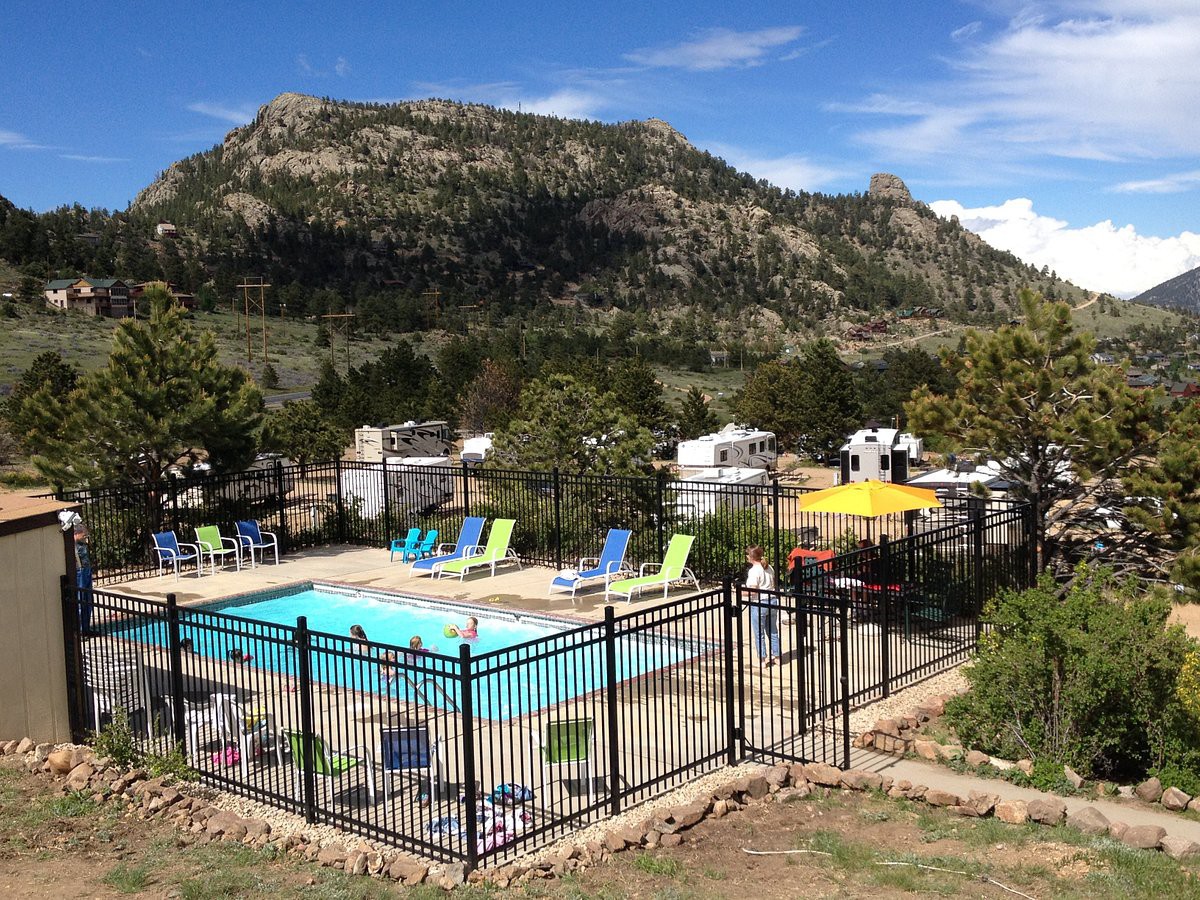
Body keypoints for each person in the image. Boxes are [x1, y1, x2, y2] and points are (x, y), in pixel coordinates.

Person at [746, 545, 780, 669]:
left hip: (759, 602)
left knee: (759, 633)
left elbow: (753, 590)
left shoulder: (754, 571)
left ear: (751, 557)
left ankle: (762, 660)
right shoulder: (768, 567)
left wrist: (740, 592)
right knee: (773, 630)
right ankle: (777, 656)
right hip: (772, 600)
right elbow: (773, 583)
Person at [74, 523, 95, 636]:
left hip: (86, 570)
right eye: (83, 535)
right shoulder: (72, 543)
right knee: (80, 600)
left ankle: (86, 628)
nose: (85, 537)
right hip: (79, 571)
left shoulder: (83, 543)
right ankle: (80, 630)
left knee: (88, 600)